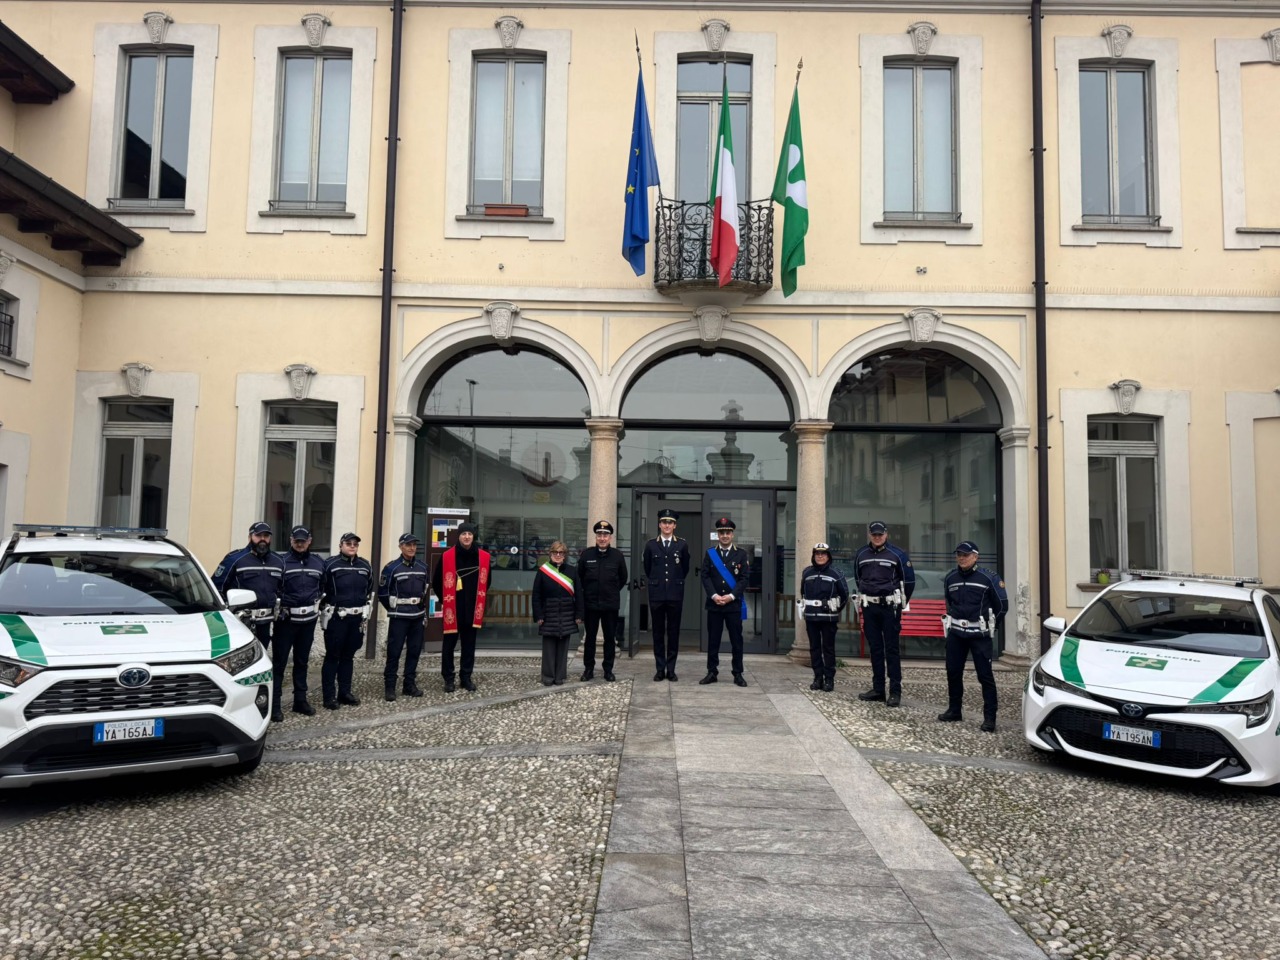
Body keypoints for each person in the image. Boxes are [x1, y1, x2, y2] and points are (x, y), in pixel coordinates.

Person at [212, 521, 284, 714]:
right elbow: (217, 588)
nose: (263, 540)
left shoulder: (278, 561)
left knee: (262, 666)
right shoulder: (235, 559)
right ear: (250, 536)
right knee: (241, 667)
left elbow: (282, 589)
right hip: (243, 624)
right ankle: (238, 707)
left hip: (266, 623)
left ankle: (265, 705)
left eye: (266, 536)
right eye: (258, 536)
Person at [938, 540, 1008, 732]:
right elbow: (949, 603)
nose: (962, 558)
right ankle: (954, 710)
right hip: (957, 634)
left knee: (985, 676)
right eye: (959, 554)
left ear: (975, 556)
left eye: (966, 555)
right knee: (953, 672)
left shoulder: (989, 578)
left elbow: (1002, 605)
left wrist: (992, 626)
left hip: (979, 634)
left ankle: (990, 718)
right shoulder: (950, 578)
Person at [853, 520, 916, 708]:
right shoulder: (861, 554)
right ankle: (878, 689)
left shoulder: (898, 554)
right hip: (870, 607)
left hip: (890, 608)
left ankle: (895, 692)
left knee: (892, 649)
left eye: (880, 534)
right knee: (875, 648)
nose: (877, 537)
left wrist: (900, 603)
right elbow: (858, 578)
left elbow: (909, 582)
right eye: (874, 534)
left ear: (886, 534)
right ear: (869, 535)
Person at [431, 521, 490, 692]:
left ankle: (466, 677)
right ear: (459, 536)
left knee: (469, 646)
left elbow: (487, 581)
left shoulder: (483, 557)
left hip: (472, 609)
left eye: (469, 534)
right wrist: (446, 601)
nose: (467, 537)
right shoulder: (447, 556)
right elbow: (436, 581)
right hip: (453, 609)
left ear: (473, 536)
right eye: (464, 534)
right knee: (448, 646)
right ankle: (448, 679)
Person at [274, 526, 326, 717]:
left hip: (308, 620)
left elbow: (323, 586)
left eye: (303, 540)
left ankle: (300, 700)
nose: (300, 544)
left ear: (309, 541)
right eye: (297, 540)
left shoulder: (318, 562)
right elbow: (275, 587)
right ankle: (275, 704)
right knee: (279, 663)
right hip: (286, 620)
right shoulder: (281, 562)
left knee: (302, 661)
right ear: (291, 540)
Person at [319, 531, 373, 710]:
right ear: (340, 545)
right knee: (333, 656)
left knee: (348, 656)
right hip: (337, 618)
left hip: (356, 618)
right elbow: (322, 588)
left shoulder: (365, 565)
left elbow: (369, 588)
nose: (352, 546)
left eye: (355, 544)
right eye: (348, 543)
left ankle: (344, 692)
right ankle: (329, 696)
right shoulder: (330, 564)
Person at [699, 516, 751, 687]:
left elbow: (744, 579)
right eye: (722, 533)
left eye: (728, 532)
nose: (725, 536)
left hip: (733, 605)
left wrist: (731, 596)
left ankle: (738, 673)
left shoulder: (741, 554)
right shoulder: (710, 554)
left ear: (732, 534)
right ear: (718, 535)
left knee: (737, 641)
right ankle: (712, 672)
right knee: (713, 640)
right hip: (714, 604)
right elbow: (705, 576)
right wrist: (714, 595)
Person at [378, 532, 429, 700]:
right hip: (399, 616)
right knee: (394, 652)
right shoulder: (391, 568)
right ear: (401, 547)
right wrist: (393, 609)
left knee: (414, 651)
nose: (412, 548)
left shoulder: (423, 567)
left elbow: (425, 589)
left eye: (414, 545)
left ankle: (409, 684)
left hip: (417, 615)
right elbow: (383, 593)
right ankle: (390, 686)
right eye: (408, 545)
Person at [642, 508, 690, 682]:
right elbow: (648, 569)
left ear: (675, 525)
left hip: (675, 594)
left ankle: (671, 669)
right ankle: (660, 669)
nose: (667, 525)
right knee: (658, 632)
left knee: (673, 632)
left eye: (670, 522)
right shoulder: (651, 545)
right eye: (664, 522)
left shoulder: (682, 545)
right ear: (659, 524)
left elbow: (685, 569)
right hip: (657, 594)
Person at [577, 520, 627, 682]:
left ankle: (608, 670)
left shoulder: (617, 556)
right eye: (599, 535)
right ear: (596, 537)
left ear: (610, 537)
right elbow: (580, 577)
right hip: (591, 604)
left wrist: (610, 591)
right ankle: (588, 669)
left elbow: (622, 578)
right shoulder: (587, 555)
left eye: (605, 535)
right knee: (590, 638)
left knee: (609, 638)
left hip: (610, 604)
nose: (602, 538)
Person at [799, 541, 849, 692]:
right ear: (813, 556)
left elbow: (844, 595)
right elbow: (803, 592)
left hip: (828, 618)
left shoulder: (836, 573)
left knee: (828, 648)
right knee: (814, 648)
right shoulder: (807, 572)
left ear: (828, 556)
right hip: (811, 617)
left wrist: (834, 610)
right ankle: (817, 678)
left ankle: (829, 679)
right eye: (817, 554)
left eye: (823, 554)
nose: (820, 556)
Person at [532, 541, 581, 686]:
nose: (558, 555)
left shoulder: (572, 571)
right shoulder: (542, 571)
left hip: (567, 613)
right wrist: (538, 615)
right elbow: (536, 595)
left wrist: (579, 614)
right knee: (549, 647)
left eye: (561, 552)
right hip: (548, 614)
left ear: (565, 555)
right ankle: (548, 676)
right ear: (550, 554)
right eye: (555, 552)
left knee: (563, 647)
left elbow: (579, 594)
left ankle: (559, 676)